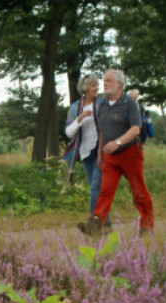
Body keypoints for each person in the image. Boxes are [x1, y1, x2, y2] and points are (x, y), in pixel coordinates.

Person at [78, 69, 154, 236]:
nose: (104, 84)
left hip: (130, 154)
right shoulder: (103, 105)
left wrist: (118, 142)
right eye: (104, 81)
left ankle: (147, 226)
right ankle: (96, 224)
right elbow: (101, 132)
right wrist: (99, 154)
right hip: (109, 157)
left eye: (109, 81)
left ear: (119, 84)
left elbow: (135, 129)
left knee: (139, 191)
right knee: (104, 192)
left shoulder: (129, 104)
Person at [65, 74, 110, 230]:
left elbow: (108, 127)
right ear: (85, 89)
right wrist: (80, 118)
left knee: (96, 187)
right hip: (85, 153)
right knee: (97, 188)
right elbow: (69, 132)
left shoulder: (103, 104)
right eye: (93, 86)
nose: (96, 88)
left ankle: (93, 222)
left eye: (97, 85)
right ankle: (107, 223)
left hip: (101, 151)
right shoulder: (76, 108)